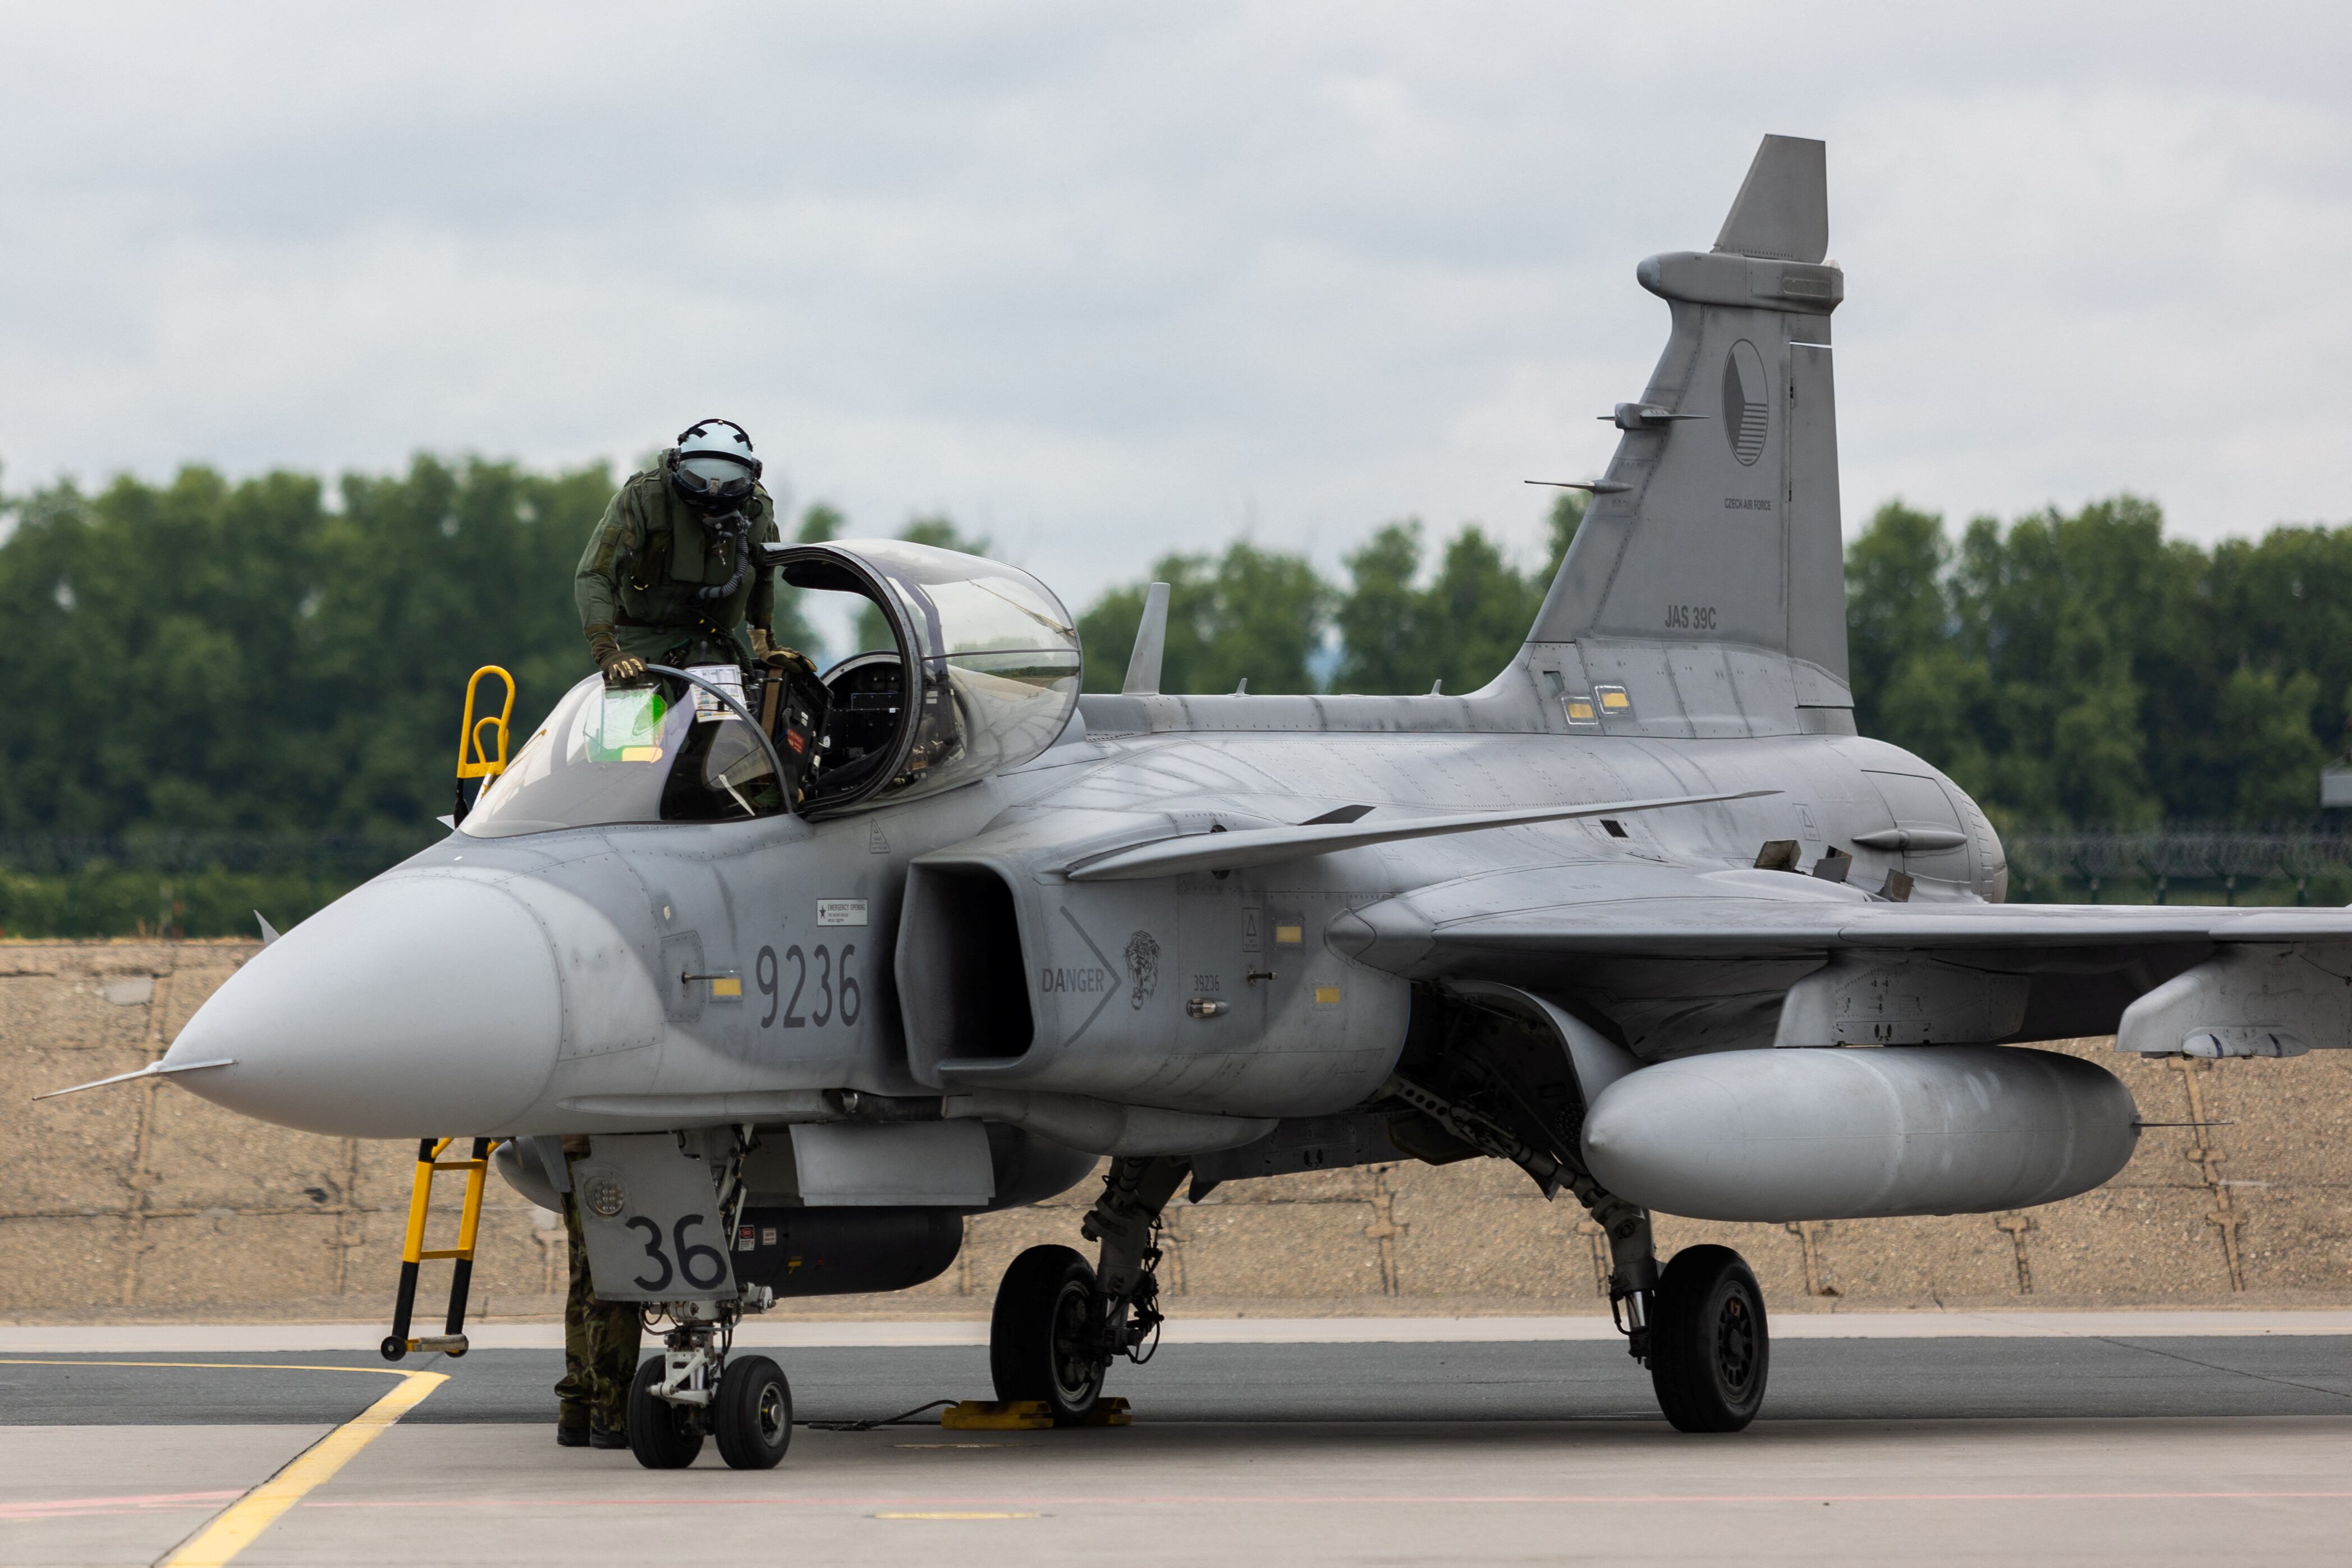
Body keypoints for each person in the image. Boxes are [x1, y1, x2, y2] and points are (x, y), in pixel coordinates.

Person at [576, 418, 795, 682]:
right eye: (699, 500)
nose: (709, 508)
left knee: (725, 723)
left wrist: (765, 642)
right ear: (677, 466)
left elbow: (762, 569)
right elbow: (596, 573)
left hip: (713, 647)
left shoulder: (756, 509)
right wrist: (607, 651)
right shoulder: (644, 498)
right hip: (639, 648)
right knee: (639, 724)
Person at [554, 1135, 639, 1448]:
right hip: (605, 1148)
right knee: (613, 1277)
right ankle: (611, 1414)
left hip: (575, 1148)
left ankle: (579, 1411)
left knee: (585, 1277)